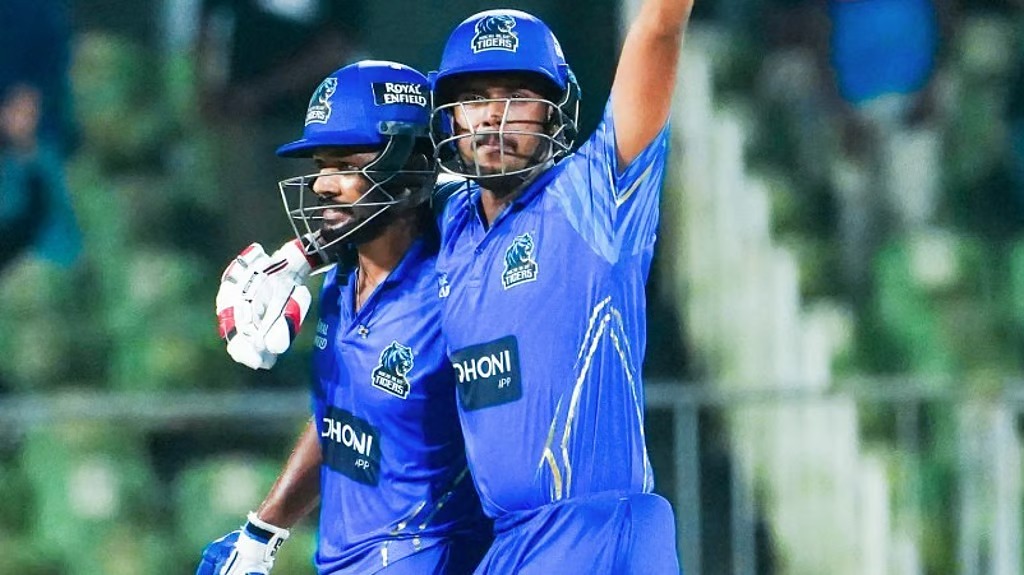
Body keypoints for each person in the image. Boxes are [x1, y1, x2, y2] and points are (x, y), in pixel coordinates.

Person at [197, 60, 491, 575]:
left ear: (411, 170)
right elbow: (344, 418)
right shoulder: (340, 279)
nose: (321, 185)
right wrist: (262, 533)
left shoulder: (462, 283)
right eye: (320, 165)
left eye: (346, 164)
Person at [425, 6, 691, 572]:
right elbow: (366, 191)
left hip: (596, 534)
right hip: (511, 543)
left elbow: (658, 31)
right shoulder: (451, 224)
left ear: (553, 111)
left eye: (518, 96)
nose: (493, 117)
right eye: (474, 98)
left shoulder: (595, 194)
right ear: (451, 118)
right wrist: (301, 257)